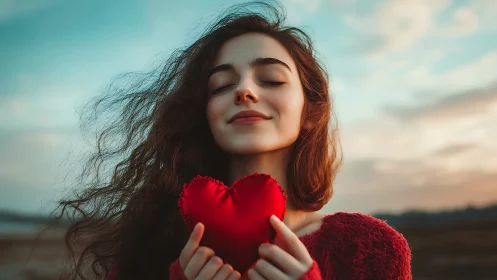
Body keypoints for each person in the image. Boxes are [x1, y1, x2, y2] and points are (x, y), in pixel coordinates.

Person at [55, 1, 412, 279]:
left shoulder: (368, 247)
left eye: (271, 78)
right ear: (202, 112)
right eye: (221, 85)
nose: (244, 90)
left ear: (310, 110)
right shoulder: (150, 245)